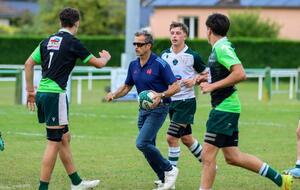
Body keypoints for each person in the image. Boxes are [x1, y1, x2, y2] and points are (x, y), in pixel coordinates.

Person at [198, 13, 292, 190]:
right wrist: (203, 79)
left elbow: (240, 73)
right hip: (227, 107)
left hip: (224, 108)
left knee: (207, 157)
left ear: (209, 30)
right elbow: (222, 72)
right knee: (233, 157)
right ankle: (281, 180)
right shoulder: (219, 48)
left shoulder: (222, 48)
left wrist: (211, 87)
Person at [25, 7, 111, 190]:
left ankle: (76, 182)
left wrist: (30, 91)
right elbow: (98, 64)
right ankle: (43, 188)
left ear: (60, 22)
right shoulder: (73, 42)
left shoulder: (46, 41)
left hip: (42, 93)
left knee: (64, 137)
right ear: (77, 23)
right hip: (55, 95)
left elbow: (28, 64)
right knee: (53, 141)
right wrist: (106, 58)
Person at [105, 30, 180, 190]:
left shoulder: (160, 64)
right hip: (143, 110)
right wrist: (114, 94)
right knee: (148, 147)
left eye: (140, 44)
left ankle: (170, 169)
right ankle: (165, 180)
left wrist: (161, 95)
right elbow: (127, 86)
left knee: (142, 142)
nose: (136, 47)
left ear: (149, 46)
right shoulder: (133, 65)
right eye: (135, 44)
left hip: (160, 108)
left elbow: (176, 86)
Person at [156, 22, 207, 189]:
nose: (174, 36)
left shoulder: (193, 56)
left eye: (178, 33)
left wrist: (194, 80)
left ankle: (170, 179)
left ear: (185, 35)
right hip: (170, 101)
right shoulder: (164, 55)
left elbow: (207, 73)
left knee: (171, 138)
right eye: (172, 33)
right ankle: (209, 164)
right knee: (186, 139)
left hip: (186, 102)